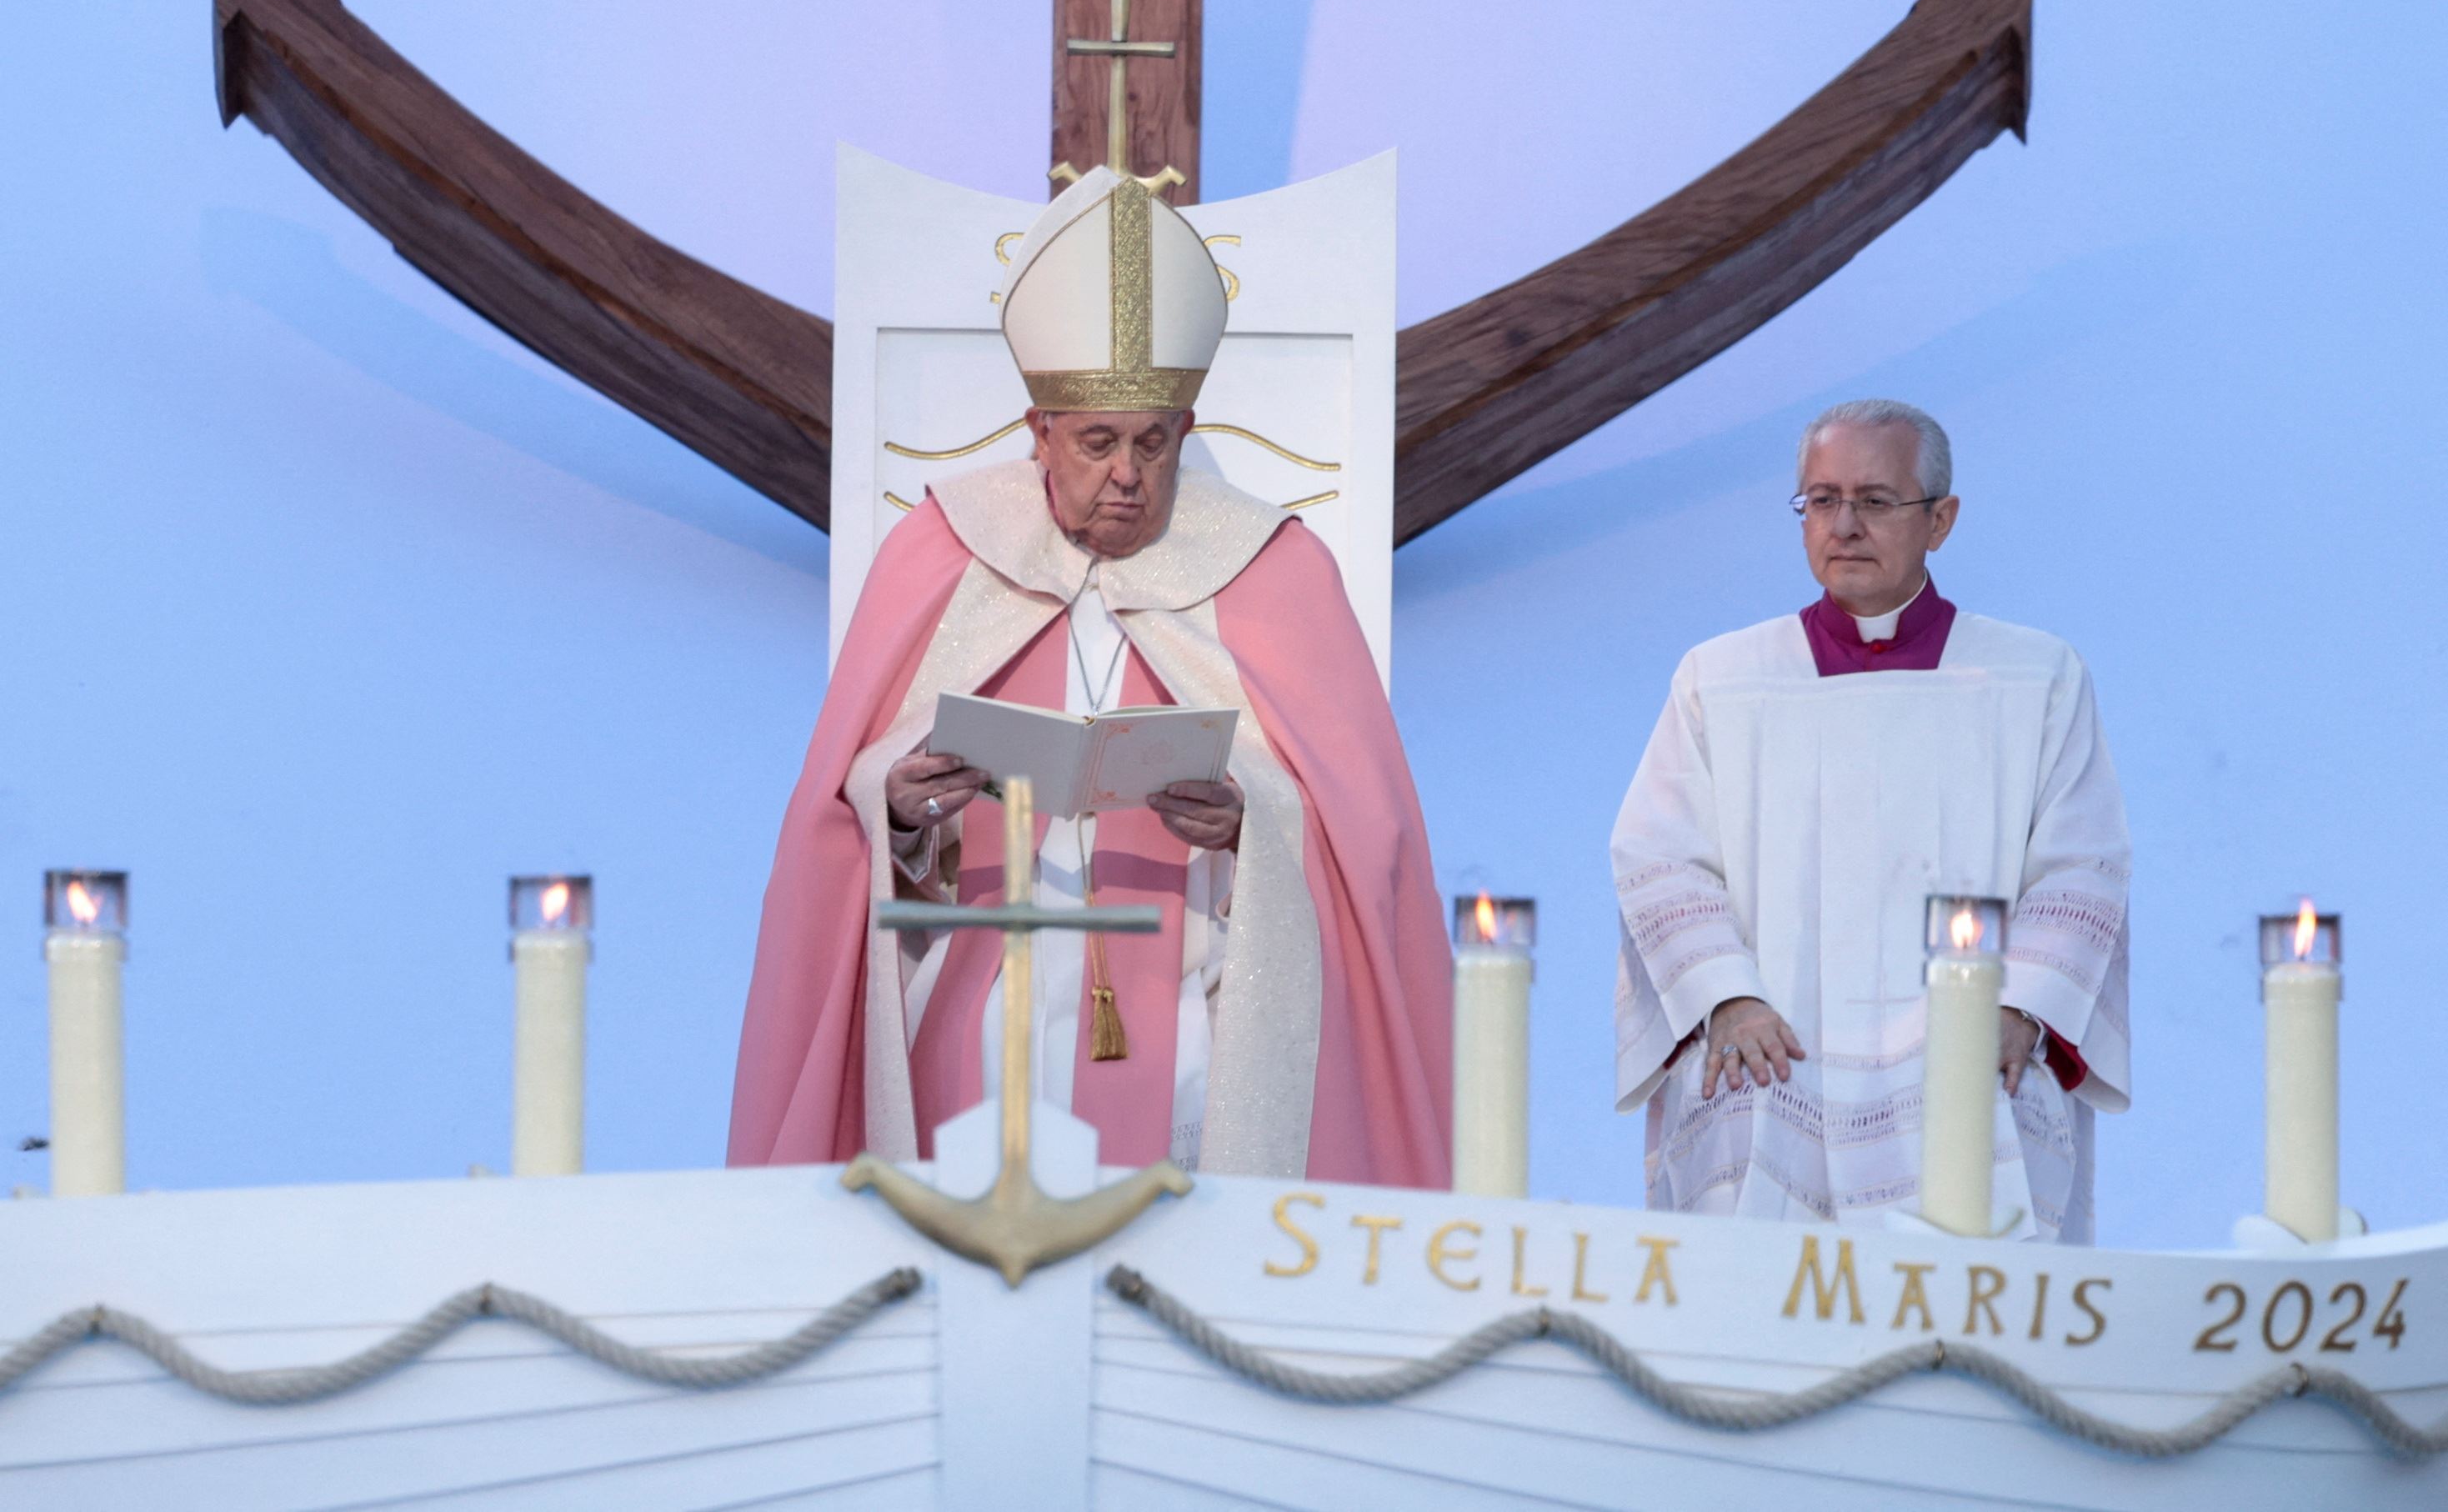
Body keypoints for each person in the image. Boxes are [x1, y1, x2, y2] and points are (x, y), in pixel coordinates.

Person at [729, 167, 1450, 1186]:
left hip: (1194, 1021)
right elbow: (836, 806)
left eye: (1153, 443)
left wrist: (1252, 819)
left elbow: (1369, 836)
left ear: (1187, 436)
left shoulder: (1276, 569)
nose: (1127, 474)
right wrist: (893, 802)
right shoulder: (943, 549)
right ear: (1038, 434)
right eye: (1098, 442)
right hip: (974, 1004)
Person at [1610, 399, 2130, 1240]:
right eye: (1821, 500)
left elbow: (2081, 861)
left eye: (1876, 500)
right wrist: (1728, 998)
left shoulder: (2035, 676)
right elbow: (1659, 855)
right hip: (1771, 1053)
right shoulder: (1723, 677)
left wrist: (2022, 1010)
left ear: (1942, 519)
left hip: (1969, 1050)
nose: (1843, 525)